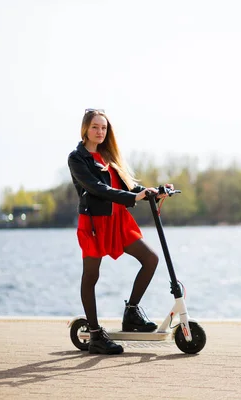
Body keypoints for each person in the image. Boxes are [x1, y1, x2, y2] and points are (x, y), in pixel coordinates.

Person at [67, 108, 174, 355]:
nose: (100, 132)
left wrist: (152, 191)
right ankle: (95, 334)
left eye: (103, 128)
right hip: (95, 223)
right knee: (91, 276)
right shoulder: (77, 159)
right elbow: (96, 188)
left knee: (150, 259)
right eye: (95, 127)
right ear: (85, 129)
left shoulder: (109, 156)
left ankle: (132, 313)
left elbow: (128, 184)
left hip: (118, 220)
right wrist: (132, 196)